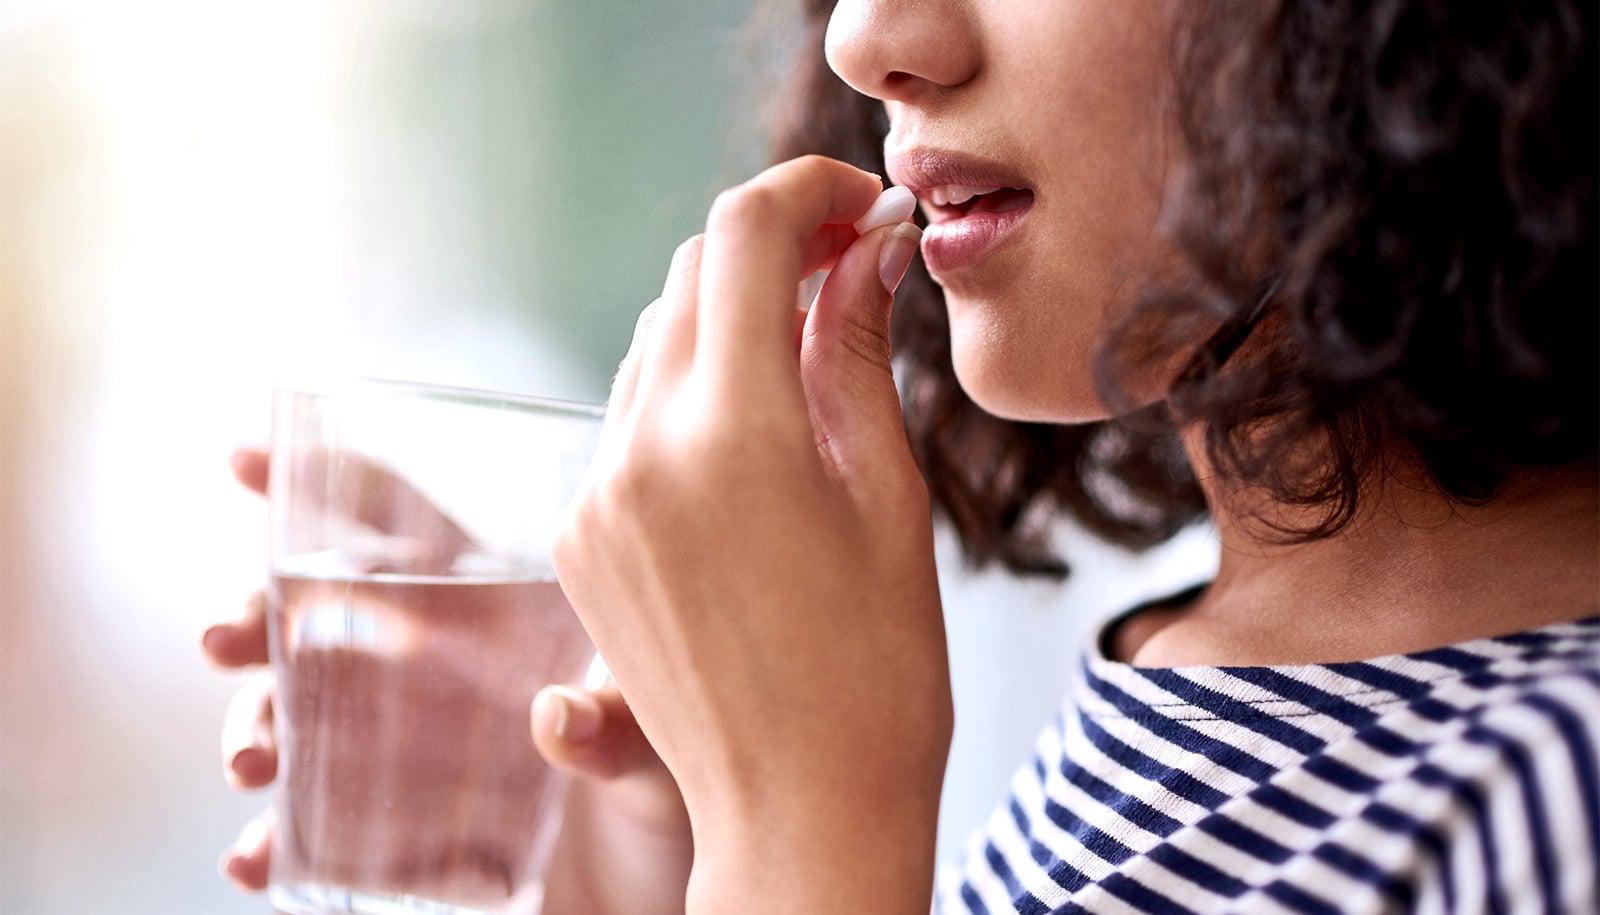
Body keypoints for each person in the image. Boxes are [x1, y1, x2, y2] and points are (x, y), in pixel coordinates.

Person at [202, 0, 1599, 912]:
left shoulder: (1556, 804)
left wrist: (803, 835)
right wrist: (670, 843)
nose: (867, 39)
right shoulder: (1193, 684)